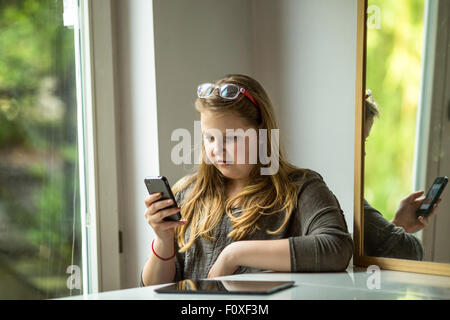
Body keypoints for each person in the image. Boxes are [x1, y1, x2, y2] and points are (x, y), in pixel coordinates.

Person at [140, 74, 353, 286]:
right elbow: (151, 289)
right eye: (210, 137)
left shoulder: (301, 188)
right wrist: (163, 240)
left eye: (231, 138)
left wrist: (234, 254)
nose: (216, 149)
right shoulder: (187, 194)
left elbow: (336, 248)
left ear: (262, 134)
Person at [363, 91, 441, 260]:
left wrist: (399, 225)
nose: (363, 153)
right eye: (361, 140)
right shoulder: (339, 194)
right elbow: (407, 250)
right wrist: (396, 233)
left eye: (365, 142)